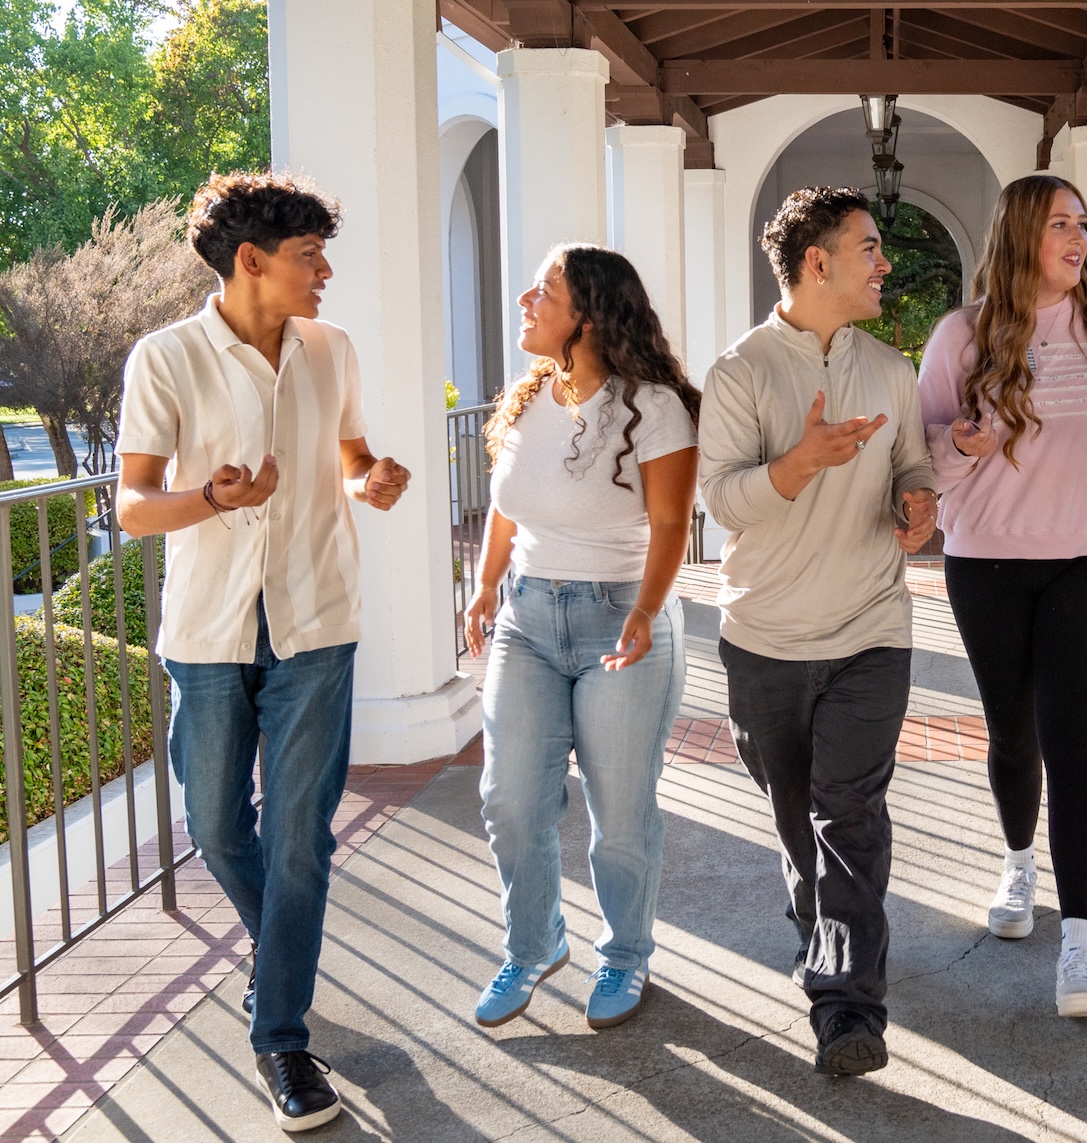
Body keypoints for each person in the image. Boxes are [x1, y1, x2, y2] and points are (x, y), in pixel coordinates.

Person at [114, 172, 411, 1132]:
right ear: (251, 260)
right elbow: (131, 505)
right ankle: (282, 955)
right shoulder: (163, 360)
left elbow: (353, 459)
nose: (324, 272)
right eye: (307, 256)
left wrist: (373, 479)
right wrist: (213, 500)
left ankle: (280, 1036)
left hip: (317, 624)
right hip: (206, 631)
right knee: (214, 825)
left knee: (298, 838)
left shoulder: (333, 351)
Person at [698, 186, 937, 1076]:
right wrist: (796, 464)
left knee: (851, 814)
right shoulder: (741, 371)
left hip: (872, 628)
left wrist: (917, 504)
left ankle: (847, 1010)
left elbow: (911, 460)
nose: (885, 263)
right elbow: (719, 498)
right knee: (798, 821)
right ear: (816, 262)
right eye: (869, 247)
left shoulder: (892, 368)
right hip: (763, 638)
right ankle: (822, 931)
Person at [917, 174, 1087, 1018]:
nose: (1078, 237)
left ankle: (1081, 942)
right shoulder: (961, 335)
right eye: (1061, 222)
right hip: (984, 562)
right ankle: (1019, 861)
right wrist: (962, 439)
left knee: (1076, 745)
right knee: (1012, 733)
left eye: (1084, 224)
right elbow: (927, 456)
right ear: (1022, 232)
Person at [461, 244, 701, 1033]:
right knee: (510, 800)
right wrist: (486, 583)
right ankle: (532, 946)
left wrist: (645, 609)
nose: (526, 298)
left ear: (589, 314)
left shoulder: (655, 407)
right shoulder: (530, 396)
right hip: (526, 619)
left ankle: (625, 952)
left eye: (546, 290)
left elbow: (671, 522)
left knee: (620, 814)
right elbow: (507, 504)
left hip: (620, 620)